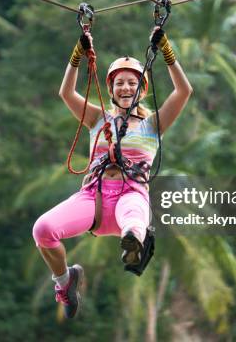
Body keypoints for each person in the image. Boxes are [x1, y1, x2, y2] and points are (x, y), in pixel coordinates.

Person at [32, 27, 192, 319]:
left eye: (132, 82)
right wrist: (77, 53)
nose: (126, 87)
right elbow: (66, 92)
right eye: (120, 83)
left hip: (131, 195)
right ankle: (65, 282)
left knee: (132, 222)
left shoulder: (153, 125)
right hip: (93, 199)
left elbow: (184, 91)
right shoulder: (97, 118)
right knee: (42, 230)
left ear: (141, 89)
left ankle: (134, 242)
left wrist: (167, 52)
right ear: (112, 89)